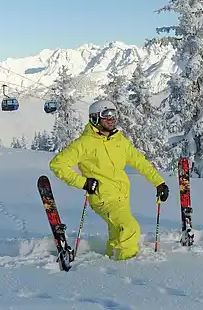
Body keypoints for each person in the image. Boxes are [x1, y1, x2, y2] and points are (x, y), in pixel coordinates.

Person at [49, 99, 169, 260]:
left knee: (117, 234)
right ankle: (128, 266)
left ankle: (110, 263)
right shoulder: (84, 143)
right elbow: (57, 165)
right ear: (94, 118)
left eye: (114, 115)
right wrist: (83, 183)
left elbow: (140, 163)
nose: (111, 119)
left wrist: (159, 182)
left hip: (122, 196)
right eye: (106, 115)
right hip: (103, 198)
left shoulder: (119, 141)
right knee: (130, 228)